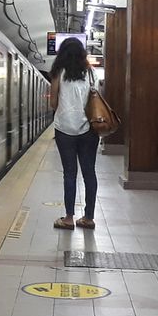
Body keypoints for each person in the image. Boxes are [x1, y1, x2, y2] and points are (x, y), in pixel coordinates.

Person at [48, 37, 99, 230]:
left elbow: (53, 103)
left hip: (64, 130)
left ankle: (68, 218)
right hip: (88, 130)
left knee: (70, 174)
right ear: (82, 54)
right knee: (89, 173)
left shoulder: (57, 73)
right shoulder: (91, 73)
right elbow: (96, 99)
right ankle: (88, 217)